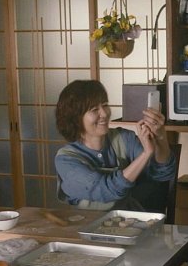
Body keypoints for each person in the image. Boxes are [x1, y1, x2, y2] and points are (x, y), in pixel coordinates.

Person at [55, 79, 175, 211]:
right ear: (76, 118)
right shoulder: (66, 160)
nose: (104, 113)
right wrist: (145, 154)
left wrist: (160, 136)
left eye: (105, 105)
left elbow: (162, 173)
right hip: (86, 222)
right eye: (94, 109)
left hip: (128, 220)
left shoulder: (124, 138)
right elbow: (105, 190)